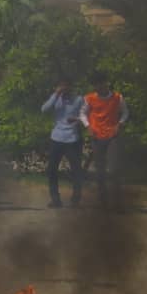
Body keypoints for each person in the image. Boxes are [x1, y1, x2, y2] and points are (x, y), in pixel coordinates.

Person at [79, 72, 129, 210]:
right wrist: (87, 126)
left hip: (112, 135)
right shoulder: (89, 98)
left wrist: (120, 124)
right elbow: (82, 113)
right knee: (100, 170)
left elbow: (125, 112)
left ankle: (118, 202)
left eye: (101, 83)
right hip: (96, 136)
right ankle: (103, 202)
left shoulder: (117, 97)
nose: (98, 86)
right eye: (96, 84)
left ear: (106, 83)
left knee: (114, 169)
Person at [41, 79, 85, 208]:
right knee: (52, 170)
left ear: (71, 87)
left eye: (66, 86)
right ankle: (55, 199)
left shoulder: (78, 99)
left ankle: (75, 200)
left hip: (73, 139)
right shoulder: (56, 98)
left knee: (76, 170)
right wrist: (55, 94)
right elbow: (44, 109)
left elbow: (86, 117)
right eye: (61, 86)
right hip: (56, 138)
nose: (64, 89)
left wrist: (76, 119)